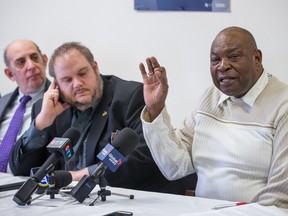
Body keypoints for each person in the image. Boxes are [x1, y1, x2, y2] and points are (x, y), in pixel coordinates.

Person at [10, 41, 197, 194]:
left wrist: (77, 175)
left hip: (131, 199)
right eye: (67, 80)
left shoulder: (130, 96)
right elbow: (22, 169)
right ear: (56, 85)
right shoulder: (49, 110)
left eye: (83, 73)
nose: (78, 84)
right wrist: (42, 123)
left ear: (95, 67)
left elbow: (143, 156)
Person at [139, 26, 288, 207]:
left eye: (233, 57)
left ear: (257, 59)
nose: (223, 66)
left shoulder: (283, 105)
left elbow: (279, 198)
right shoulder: (210, 98)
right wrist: (155, 109)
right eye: (215, 60)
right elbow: (176, 166)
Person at [0, 39, 50, 173]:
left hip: (26, 181)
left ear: (44, 60)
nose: (31, 66)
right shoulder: (3, 102)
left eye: (34, 58)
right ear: (10, 74)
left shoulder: (60, 101)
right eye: (21, 62)